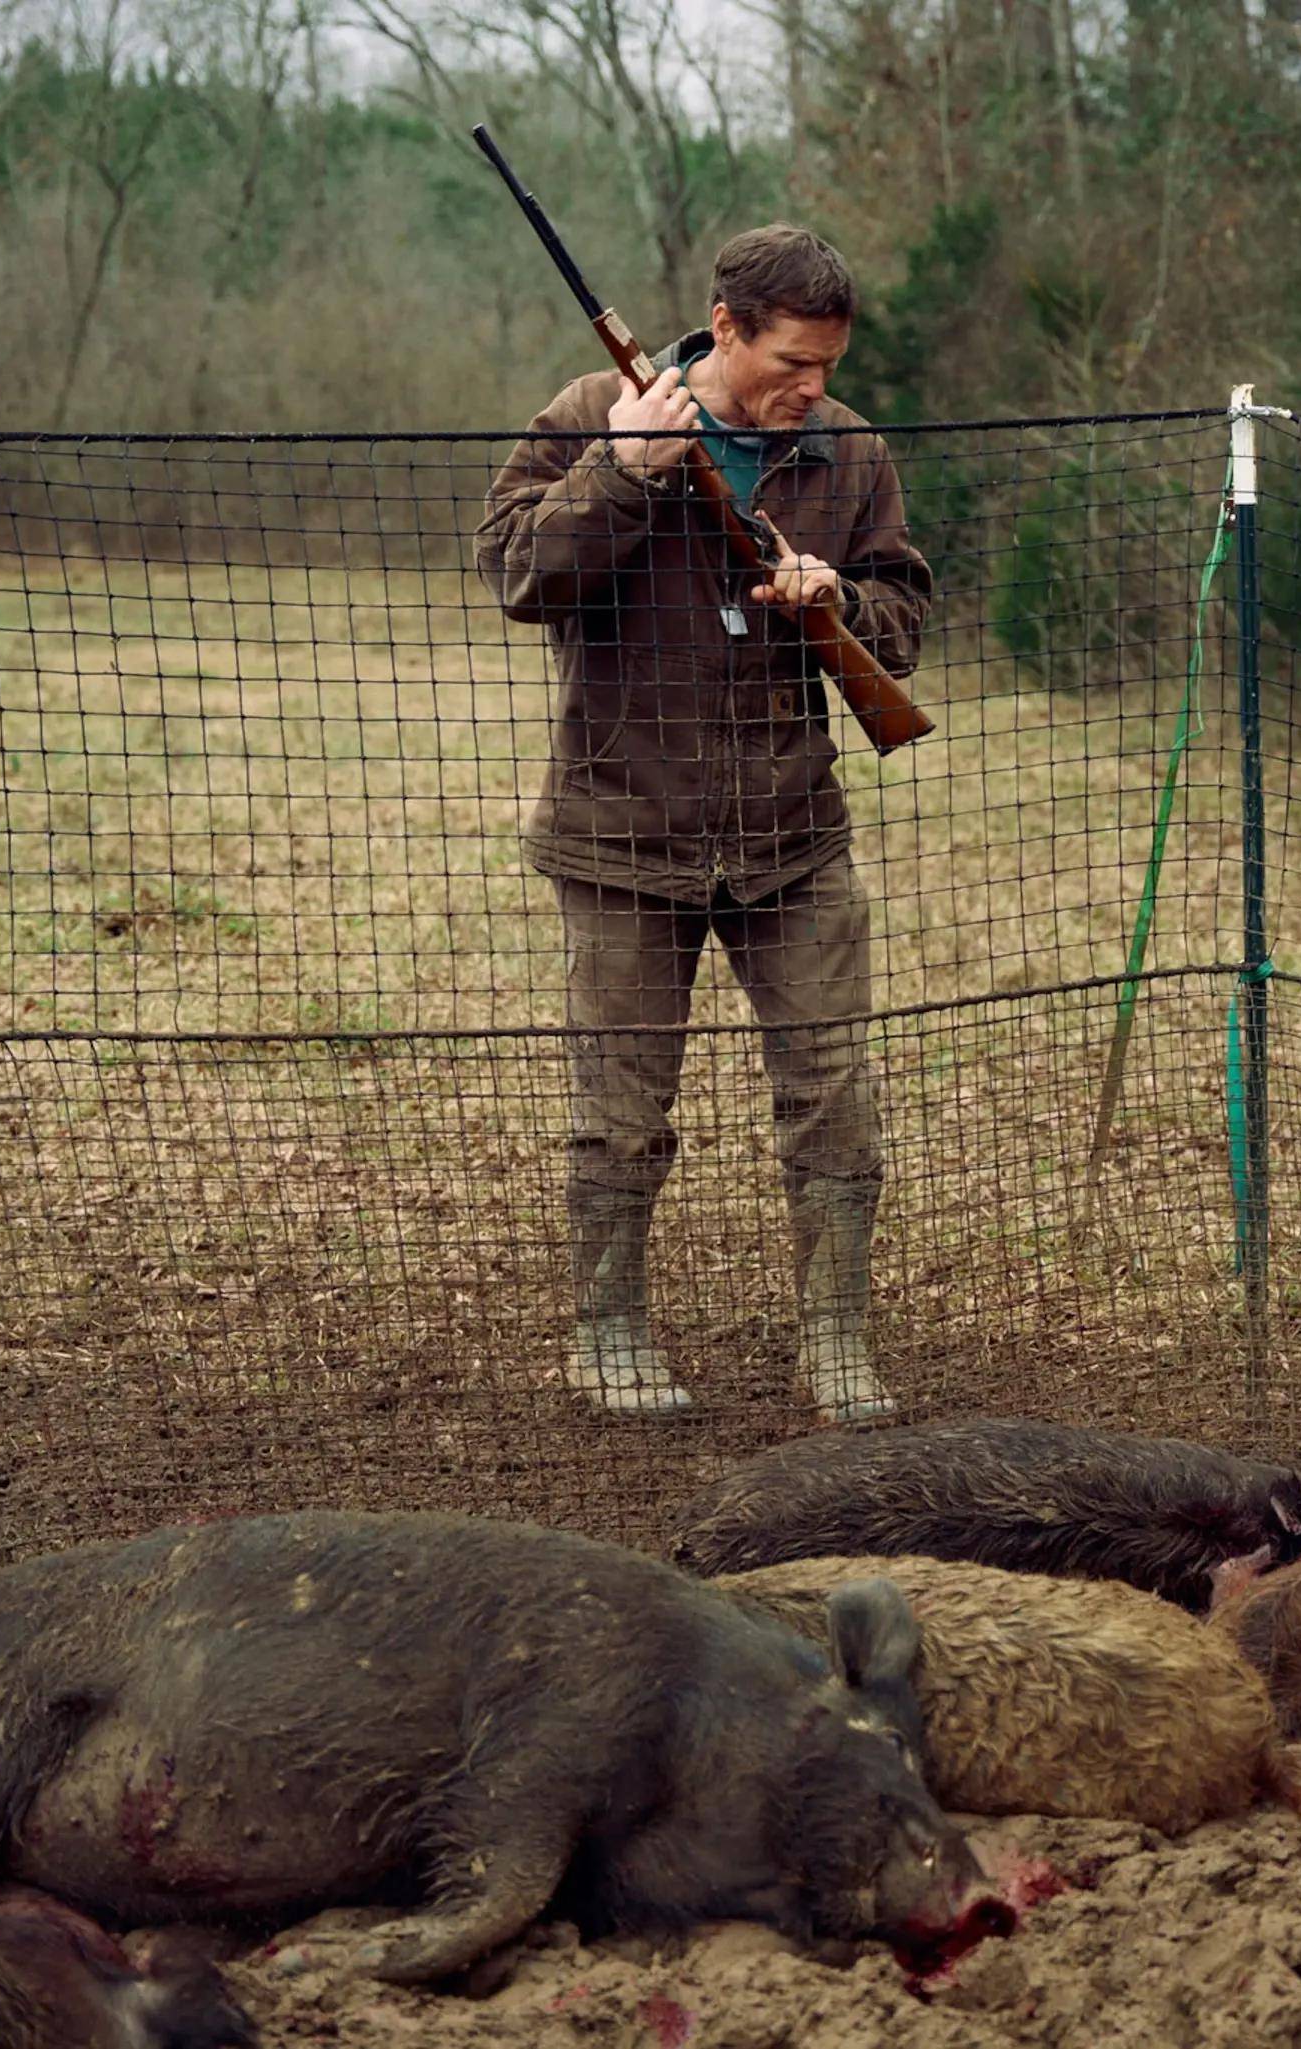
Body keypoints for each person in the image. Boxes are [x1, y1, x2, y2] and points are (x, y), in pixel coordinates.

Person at [474, 223, 933, 1424]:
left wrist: (841, 599)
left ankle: (837, 1347)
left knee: (835, 1097)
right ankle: (607, 1334)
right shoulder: (589, 410)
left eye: (829, 365)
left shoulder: (847, 449)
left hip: (794, 835)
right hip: (621, 834)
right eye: (792, 363)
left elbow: (905, 613)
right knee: (620, 1114)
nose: (813, 390)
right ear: (723, 328)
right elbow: (517, 575)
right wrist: (621, 469)